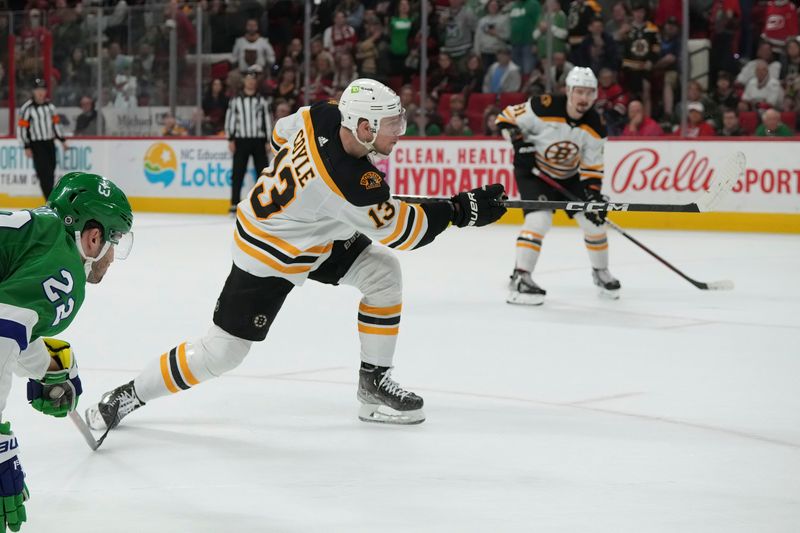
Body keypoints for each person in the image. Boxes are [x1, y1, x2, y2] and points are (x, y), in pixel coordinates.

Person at [84, 79, 506, 431]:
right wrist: (459, 211)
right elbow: (404, 231)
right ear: (362, 126)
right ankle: (127, 396)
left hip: (308, 237)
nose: (401, 131)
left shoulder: (322, 113)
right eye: (392, 124)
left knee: (382, 274)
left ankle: (373, 384)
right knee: (223, 352)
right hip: (268, 255)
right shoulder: (353, 183)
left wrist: (313, 202)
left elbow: (279, 136)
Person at [0, 172, 133, 532]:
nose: (113, 254)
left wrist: (47, 364)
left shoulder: (41, 231)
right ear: (94, 237)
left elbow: (9, 322)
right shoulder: (66, 272)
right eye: (114, 240)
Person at [496, 67, 620, 305]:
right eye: (579, 92)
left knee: (594, 222)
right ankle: (521, 277)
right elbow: (505, 118)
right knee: (539, 220)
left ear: (595, 95)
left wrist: (593, 195)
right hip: (533, 172)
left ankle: (600, 272)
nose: (584, 98)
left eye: (589, 93)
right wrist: (519, 142)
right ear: (569, 91)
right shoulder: (543, 106)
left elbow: (593, 166)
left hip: (569, 176)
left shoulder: (596, 124)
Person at [225, 67, 270, 213]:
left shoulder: (262, 100)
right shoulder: (235, 100)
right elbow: (230, 119)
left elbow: (267, 120)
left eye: (253, 80)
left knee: (263, 172)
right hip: (241, 140)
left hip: (258, 140)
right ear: (244, 81)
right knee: (238, 172)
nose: (251, 82)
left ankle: (264, 202)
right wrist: (231, 138)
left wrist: (268, 140)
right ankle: (234, 202)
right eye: (249, 79)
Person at [17, 78, 67, 201]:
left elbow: (56, 124)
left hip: (49, 143)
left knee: (51, 173)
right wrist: (26, 146)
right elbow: (22, 129)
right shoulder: (27, 108)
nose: (40, 92)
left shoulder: (50, 107)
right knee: (43, 173)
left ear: (45, 92)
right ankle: (50, 202)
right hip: (37, 145)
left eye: (42, 90)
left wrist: (62, 139)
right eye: (38, 90)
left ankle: (50, 200)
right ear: (33, 92)